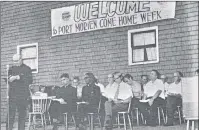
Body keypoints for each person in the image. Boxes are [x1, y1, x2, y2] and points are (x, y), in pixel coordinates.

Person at [6, 54, 33, 130]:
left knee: (22, 115)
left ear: (21, 59)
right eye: (14, 61)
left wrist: (18, 77)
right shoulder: (11, 69)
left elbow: (30, 80)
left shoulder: (27, 69)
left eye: (17, 61)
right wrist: (9, 79)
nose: (15, 63)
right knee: (10, 115)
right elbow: (8, 80)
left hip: (22, 95)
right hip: (13, 95)